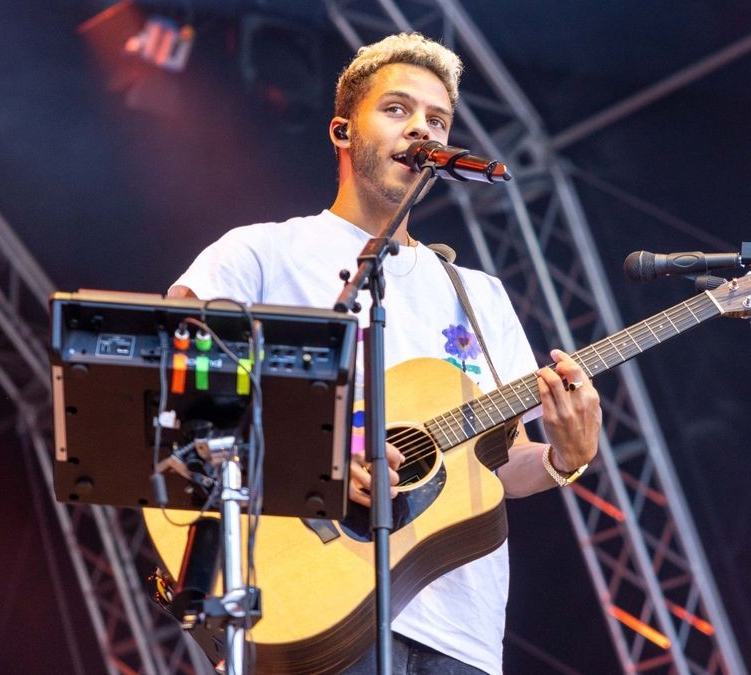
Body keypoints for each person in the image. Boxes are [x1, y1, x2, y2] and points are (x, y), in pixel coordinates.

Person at [168, 33, 602, 674]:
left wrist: (567, 457)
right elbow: (178, 376)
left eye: (438, 120)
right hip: (311, 606)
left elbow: (501, 465)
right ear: (343, 131)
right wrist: (319, 458)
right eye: (397, 110)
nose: (421, 129)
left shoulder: (479, 294)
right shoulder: (260, 253)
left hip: (459, 632)